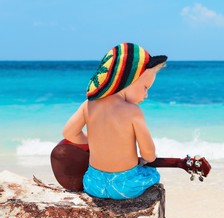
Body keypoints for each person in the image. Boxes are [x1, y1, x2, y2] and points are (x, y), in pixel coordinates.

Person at [62, 42, 167, 200]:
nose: (146, 95)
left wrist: (91, 142)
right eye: (145, 87)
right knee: (152, 174)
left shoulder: (88, 105)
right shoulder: (134, 112)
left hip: (93, 184)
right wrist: (147, 159)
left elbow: (69, 133)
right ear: (128, 80)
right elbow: (149, 154)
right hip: (124, 187)